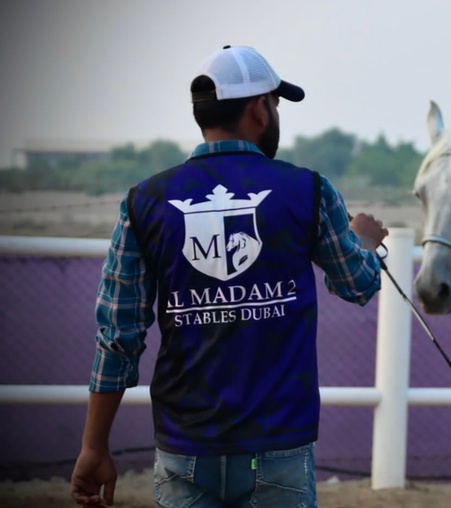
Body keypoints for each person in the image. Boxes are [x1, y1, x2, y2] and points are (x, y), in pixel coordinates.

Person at [69, 45, 389, 508]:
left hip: (185, 450)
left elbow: (118, 337)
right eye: (277, 104)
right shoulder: (308, 189)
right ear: (260, 109)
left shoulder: (144, 202)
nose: (277, 114)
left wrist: (94, 447)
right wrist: (361, 239)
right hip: (278, 448)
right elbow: (358, 283)